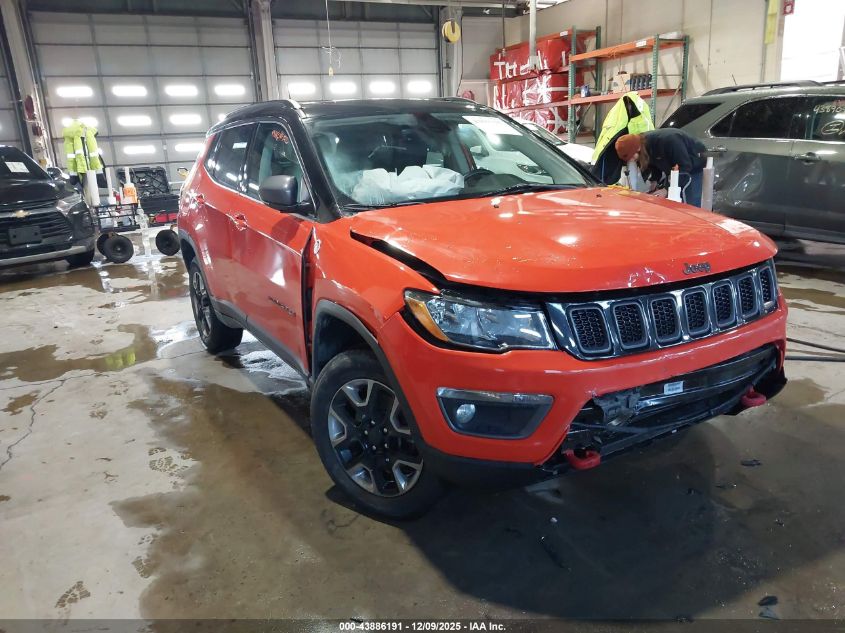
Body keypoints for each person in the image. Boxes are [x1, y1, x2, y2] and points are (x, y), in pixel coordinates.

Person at [614, 128, 707, 207]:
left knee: (690, 204)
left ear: (637, 148)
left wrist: (666, 189)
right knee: (675, 200)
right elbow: (655, 163)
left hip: (693, 168)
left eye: (632, 157)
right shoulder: (645, 146)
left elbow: (684, 166)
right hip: (676, 169)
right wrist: (654, 180)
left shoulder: (669, 141)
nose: (633, 161)